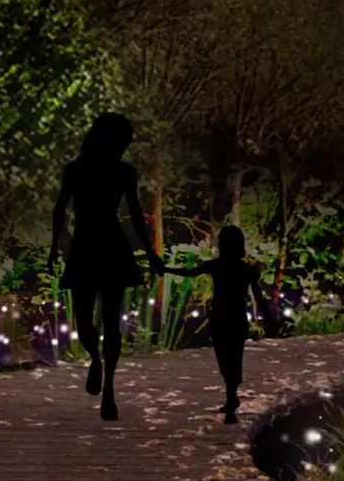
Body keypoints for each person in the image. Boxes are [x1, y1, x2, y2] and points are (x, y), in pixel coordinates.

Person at [48, 112, 163, 421]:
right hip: (96, 245)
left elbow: (135, 214)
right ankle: (96, 361)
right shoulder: (79, 170)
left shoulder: (119, 171)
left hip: (101, 245)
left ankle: (109, 390)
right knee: (85, 321)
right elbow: (60, 208)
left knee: (110, 321)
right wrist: (54, 246)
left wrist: (150, 252)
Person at [161, 225, 274, 424]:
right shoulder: (245, 269)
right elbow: (258, 295)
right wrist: (270, 319)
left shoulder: (216, 265)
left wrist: (165, 269)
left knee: (223, 357)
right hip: (237, 318)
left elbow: (190, 272)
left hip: (220, 317)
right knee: (234, 357)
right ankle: (232, 398)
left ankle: (231, 400)